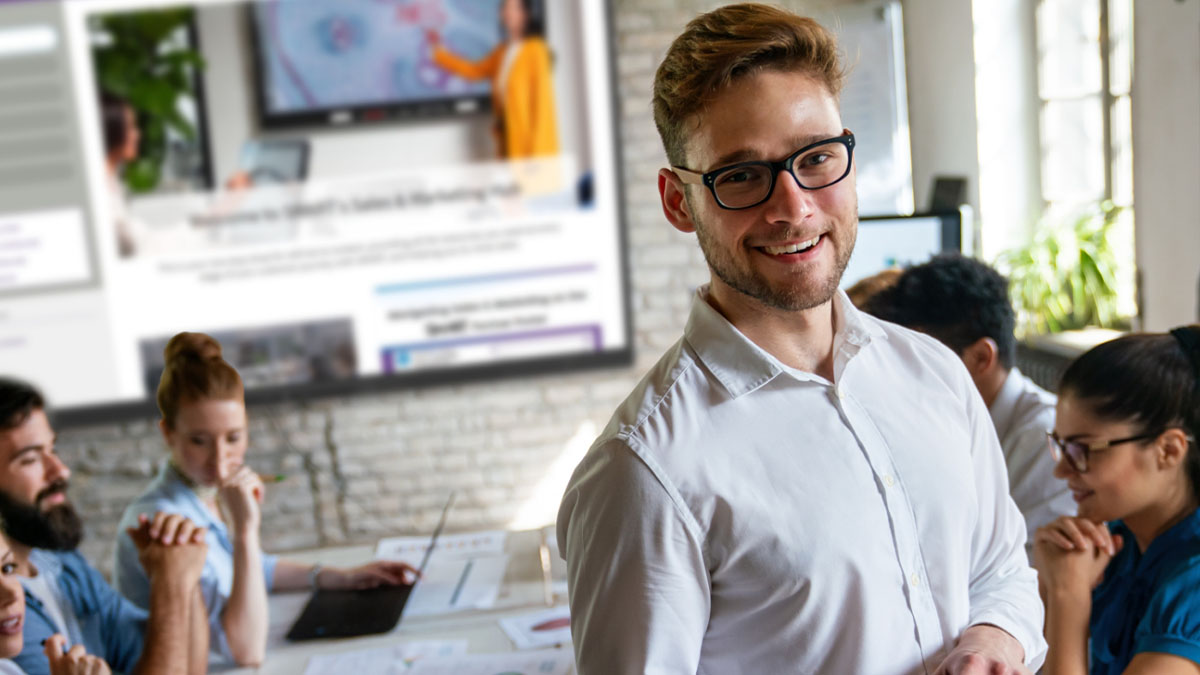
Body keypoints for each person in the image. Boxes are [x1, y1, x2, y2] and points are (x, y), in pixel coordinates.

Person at [556, 5, 1046, 673]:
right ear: (678, 201)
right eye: (742, 176)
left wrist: (992, 642)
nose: (793, 206)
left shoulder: (934, 372)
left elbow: (1001, 570)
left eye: (816, 157)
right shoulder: (645, 469)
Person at [114, 332, 417, 667]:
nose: (219, 460)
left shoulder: (200, 493)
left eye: (233, 438)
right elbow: (245, 650)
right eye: (199, 441)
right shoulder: (162, 519)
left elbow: (256, 569)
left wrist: (338, 577)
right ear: (167, 433)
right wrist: (246, 529)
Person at [863, 254, 1075, 553]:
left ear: (980, 358)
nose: (898, 375)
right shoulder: (936, 424)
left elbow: (1016, 574)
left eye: (917, 360)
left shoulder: (1047, 442)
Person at [0, 378, 209, 675]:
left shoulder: (61, 561)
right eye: (31, 459)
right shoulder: (9, 616)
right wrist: (171, 586)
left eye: (53, 449)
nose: (60, 470)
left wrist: (183, 568)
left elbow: (186, 665)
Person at [1034, 325, 1200, 674]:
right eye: (1060, 445)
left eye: (1083, 449)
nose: (1061, 470)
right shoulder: (1109, 544)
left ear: (1168, 450)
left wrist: (1067, 596)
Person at [427, 0, 559, 159]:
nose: (508, 13)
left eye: (515, 8)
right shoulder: (502, 52)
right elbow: (474, 70)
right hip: (506, 144)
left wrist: (539, 157)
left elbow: (542, 107)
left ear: (527, 14)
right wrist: (439, 52)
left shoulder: (536, 50)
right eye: (506, 8)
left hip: (531, 151)